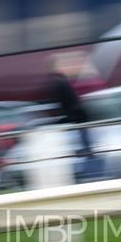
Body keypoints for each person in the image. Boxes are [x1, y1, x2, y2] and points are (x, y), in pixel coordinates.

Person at [47, 53, 99, 182]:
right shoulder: (61, 80)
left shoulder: (57, 81)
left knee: (83, 147)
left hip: (74, 118)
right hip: (77, 118)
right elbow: (71, 101)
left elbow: (64, 102)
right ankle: (92, 173)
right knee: (86, 147)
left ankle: (88, 172)